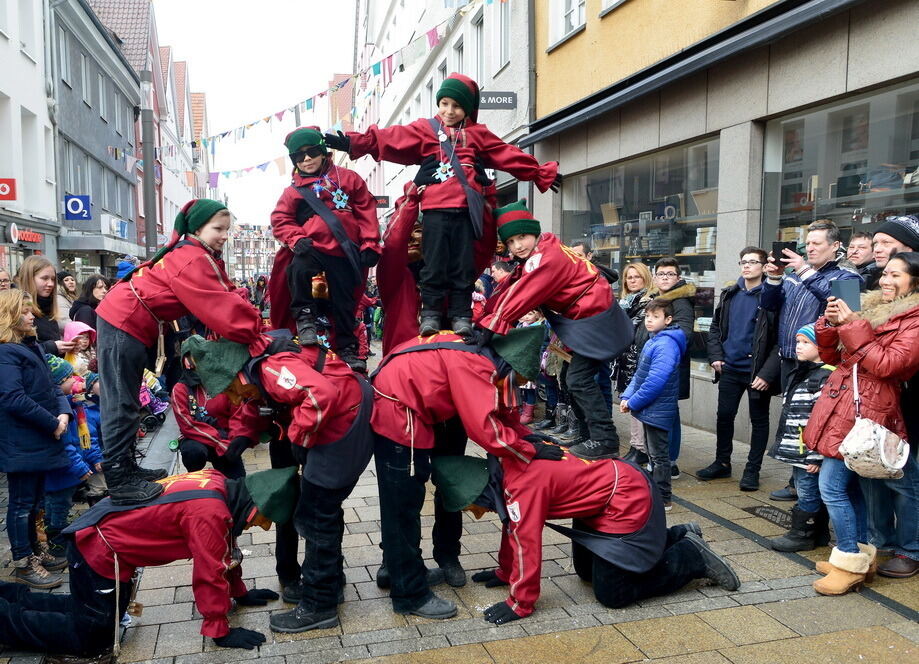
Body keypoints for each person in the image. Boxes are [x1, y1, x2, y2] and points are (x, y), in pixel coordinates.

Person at [324, 74, 560, 337]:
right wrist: (352, 142)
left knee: (462, 265)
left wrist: (539, 172)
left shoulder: (478, 134)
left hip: (466, 213)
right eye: (444, 103)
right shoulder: (425, 128)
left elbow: (506, 153)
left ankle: (461, 315)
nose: (449, 111)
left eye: (457, 106)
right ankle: (431, 315)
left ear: (467, 109)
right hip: (434, 211)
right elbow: (391, 137)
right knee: (434, 264)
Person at [181, 331, 374, 633]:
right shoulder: (253, 370)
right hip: (339, 413)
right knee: (321, 508)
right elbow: (255, 403)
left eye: (229, 389)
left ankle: (319, 605)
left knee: (316, 512)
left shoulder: (271, 367)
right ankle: (331, 583)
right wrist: (243, 435)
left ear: (235, 374)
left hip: (345, 418)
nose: (234, 398)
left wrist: (299, 437)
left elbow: (319, 395)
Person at [0, 467, 297, 659]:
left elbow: (224, 548)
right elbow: (210, 572)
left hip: (100, 537)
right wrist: (219, 630)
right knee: (91, 635)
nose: (265, 526)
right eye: (266, 519)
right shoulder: (209, 513)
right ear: (257, 505)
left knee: (91, 612)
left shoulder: (220, 486)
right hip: (99, 549)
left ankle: (9, 595)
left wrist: (240, 593)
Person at [370, 327, 565, 620]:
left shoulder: (483, 353)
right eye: (516, 379)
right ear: (508, 366)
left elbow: (500, 411)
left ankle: (403, 570)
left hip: (401, 402)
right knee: (403, 506)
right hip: (399, 414)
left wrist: (527, 437)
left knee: (404, 502)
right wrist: (529, 450)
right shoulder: (476, 365)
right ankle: (409, 593)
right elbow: (484, 428)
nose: (514, 385)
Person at [95, 199, 267, 504]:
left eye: (226, 229)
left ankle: (128, 469)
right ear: (197, 228)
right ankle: (120, 480)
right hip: (123, 320)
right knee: (120, 401)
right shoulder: (192, 258)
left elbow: (226, 292)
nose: (224, 235)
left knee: (127, 398)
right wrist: (258, 333)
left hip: (130, 321)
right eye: (218, 229)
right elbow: (223, 308)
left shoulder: (197, 254)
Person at [432, 454, 739, 624]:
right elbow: (511, 526)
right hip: (599, 500)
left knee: (612, 594)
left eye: (472, 506)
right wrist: (505, 572)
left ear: (478, 491)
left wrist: (519, 603)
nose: (478, 513)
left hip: (624, 496)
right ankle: (678, 535)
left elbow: (526, 543)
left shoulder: (520, 489)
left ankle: (691, 556)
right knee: (586, 573)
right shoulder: (505, 469)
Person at [804, 252, 919, 594]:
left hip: (873, 410)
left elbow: (889, 365)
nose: (885, 280)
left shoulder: (914, 319)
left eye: (895, 275)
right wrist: (830, 324)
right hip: (846, 404)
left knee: (834, 486)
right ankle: (859, 556)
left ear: (915, 281)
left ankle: (855, 561)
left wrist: (853, 324)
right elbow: (832, 356)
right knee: (850, 487)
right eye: (885, 274)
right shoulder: (870, 306)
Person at [478, 201, 630, 461]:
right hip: (584, 322)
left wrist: (489, 327)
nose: (517, 245)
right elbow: (512, 286)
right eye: (511, 241)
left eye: (522, 237)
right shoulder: (544, 248)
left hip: (593, 320)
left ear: (534, 232)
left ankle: (605, 439)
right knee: (571, 379)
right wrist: (485, 318)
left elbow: (522, 295)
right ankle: (586, 435)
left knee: (578, 380)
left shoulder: (546, 258)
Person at [268, 127, 380, 371]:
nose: (306, 159)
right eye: (299, 156)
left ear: (322, 151)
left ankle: (348, 348)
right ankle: (305, 319)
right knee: (297, 270)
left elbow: (366, 210)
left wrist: (370, 243)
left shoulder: (349, 178)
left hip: (344, 251)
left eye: (311, 152)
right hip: (311, 247)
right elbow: (280, 219)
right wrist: (296, 239)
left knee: (345, 301)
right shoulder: (292, 192)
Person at [0, 289, 72, 589]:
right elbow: (13, 398)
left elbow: (53, 386)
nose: (33, 316)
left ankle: (35, 551)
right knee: (21, 504)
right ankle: (23, 560)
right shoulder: (6, 353)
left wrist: (64, 413)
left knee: (34, 501)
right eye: (26, 312)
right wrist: (51, 422)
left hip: (39, 439)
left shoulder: (30, 346)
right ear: (10, 316)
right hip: (22, 442)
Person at [698, 247, 779, 490]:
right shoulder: (729, 293)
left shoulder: (772, 295)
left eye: (753, 262)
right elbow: (715, 328)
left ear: (764, 267)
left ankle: (752, 470)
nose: (747, 266)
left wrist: (767, 373)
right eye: (743, 262)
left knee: (759, 421)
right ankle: (722, 463)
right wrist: (716, 356)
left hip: (757, 372)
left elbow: (780, 339)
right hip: (730, 369)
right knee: (724, 416)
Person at [767, 324, 832, 552]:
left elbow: (822, 420)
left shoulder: (823, 376)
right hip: (798, 448)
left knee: (807, 491)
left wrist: (816, 456)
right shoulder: (802, 372)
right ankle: (818, 533)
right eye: (797, 342)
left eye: (806, 342)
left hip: (808, 451)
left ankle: (802, 534)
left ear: (821, 346)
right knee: (805, 487)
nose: (799, 347)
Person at [620, 298, 687, 509]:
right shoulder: (653, 340)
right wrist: (627, 396)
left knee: (659, 456)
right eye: (647, 316)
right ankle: (654, 493)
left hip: (658, 408)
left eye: (655, 317)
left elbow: (655, 381)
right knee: (652, 454)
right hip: (650, 407)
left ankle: (663, 498)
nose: (649, 320)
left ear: (668, 320)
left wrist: (633, 402)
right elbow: (640, 375)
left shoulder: (666, 344)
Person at [632, 258, 696, 475]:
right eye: (661, 274)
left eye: (670, 274)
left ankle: (668, 463)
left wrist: (660, 350)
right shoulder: (657, 298)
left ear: (678, 277)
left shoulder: (680, 301)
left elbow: (684, 334)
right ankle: (660, 461)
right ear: (655, 277)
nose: (665, 278)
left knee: (668, 416)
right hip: (653, 363)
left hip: (668, 368)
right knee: (661, 415)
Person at [42, 358, 104, 563]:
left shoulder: (73, 405)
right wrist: (80, 467)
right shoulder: (60, 413)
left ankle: (57, 534)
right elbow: (65, 445)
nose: (75, 380)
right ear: (58, 383)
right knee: (58, 505)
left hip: (67, 473)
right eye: (69, 377)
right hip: (62, 473)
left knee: (60, 503)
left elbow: (85, 438)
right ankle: (58, 543)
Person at [171, 362, 251, 480]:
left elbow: (237, 415)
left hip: (225, 438)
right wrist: (218, 442)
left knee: (238, 482)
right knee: (193, 452)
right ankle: (195, 480)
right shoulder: (180, 389)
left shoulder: (225, 383)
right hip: (196, 437)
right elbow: (187, 425)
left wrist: (234, 440)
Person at [614, 261, 653, 464]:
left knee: (637, 404)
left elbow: (632, 329)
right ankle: (636, 446)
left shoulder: (649, 302)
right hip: (625, 359)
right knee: (630, 404)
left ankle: (641, 448)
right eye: (629, 277)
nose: (632, 280)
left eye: (637, 276)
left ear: (645, 278)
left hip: (639, 359)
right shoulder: (625, 302)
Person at [14, 256, 74, 357]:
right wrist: (51, 347)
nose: (51, 284)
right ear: (29, 279)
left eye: (53, 279)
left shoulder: (48, 307)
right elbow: (17, 351)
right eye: (44, 278)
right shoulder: (16, 310)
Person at [866, 215, 919, 290]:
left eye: (886, 242)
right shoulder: (869, 278)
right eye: (875, 244)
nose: (877, 250)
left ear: (909, 248)